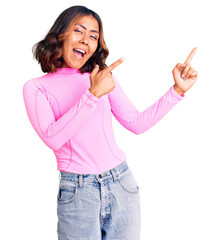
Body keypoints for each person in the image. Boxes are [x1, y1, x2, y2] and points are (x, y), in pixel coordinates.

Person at [22, 5, 198, 240]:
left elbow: (135, 123)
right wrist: (91, 95)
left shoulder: (101, 78)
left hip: (121, 184)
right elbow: (53, 138)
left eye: (93, 36)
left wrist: (176, 91)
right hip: (78, 191)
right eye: (79, 31)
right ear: (60, 35)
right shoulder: (36, 88)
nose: (85, 40)